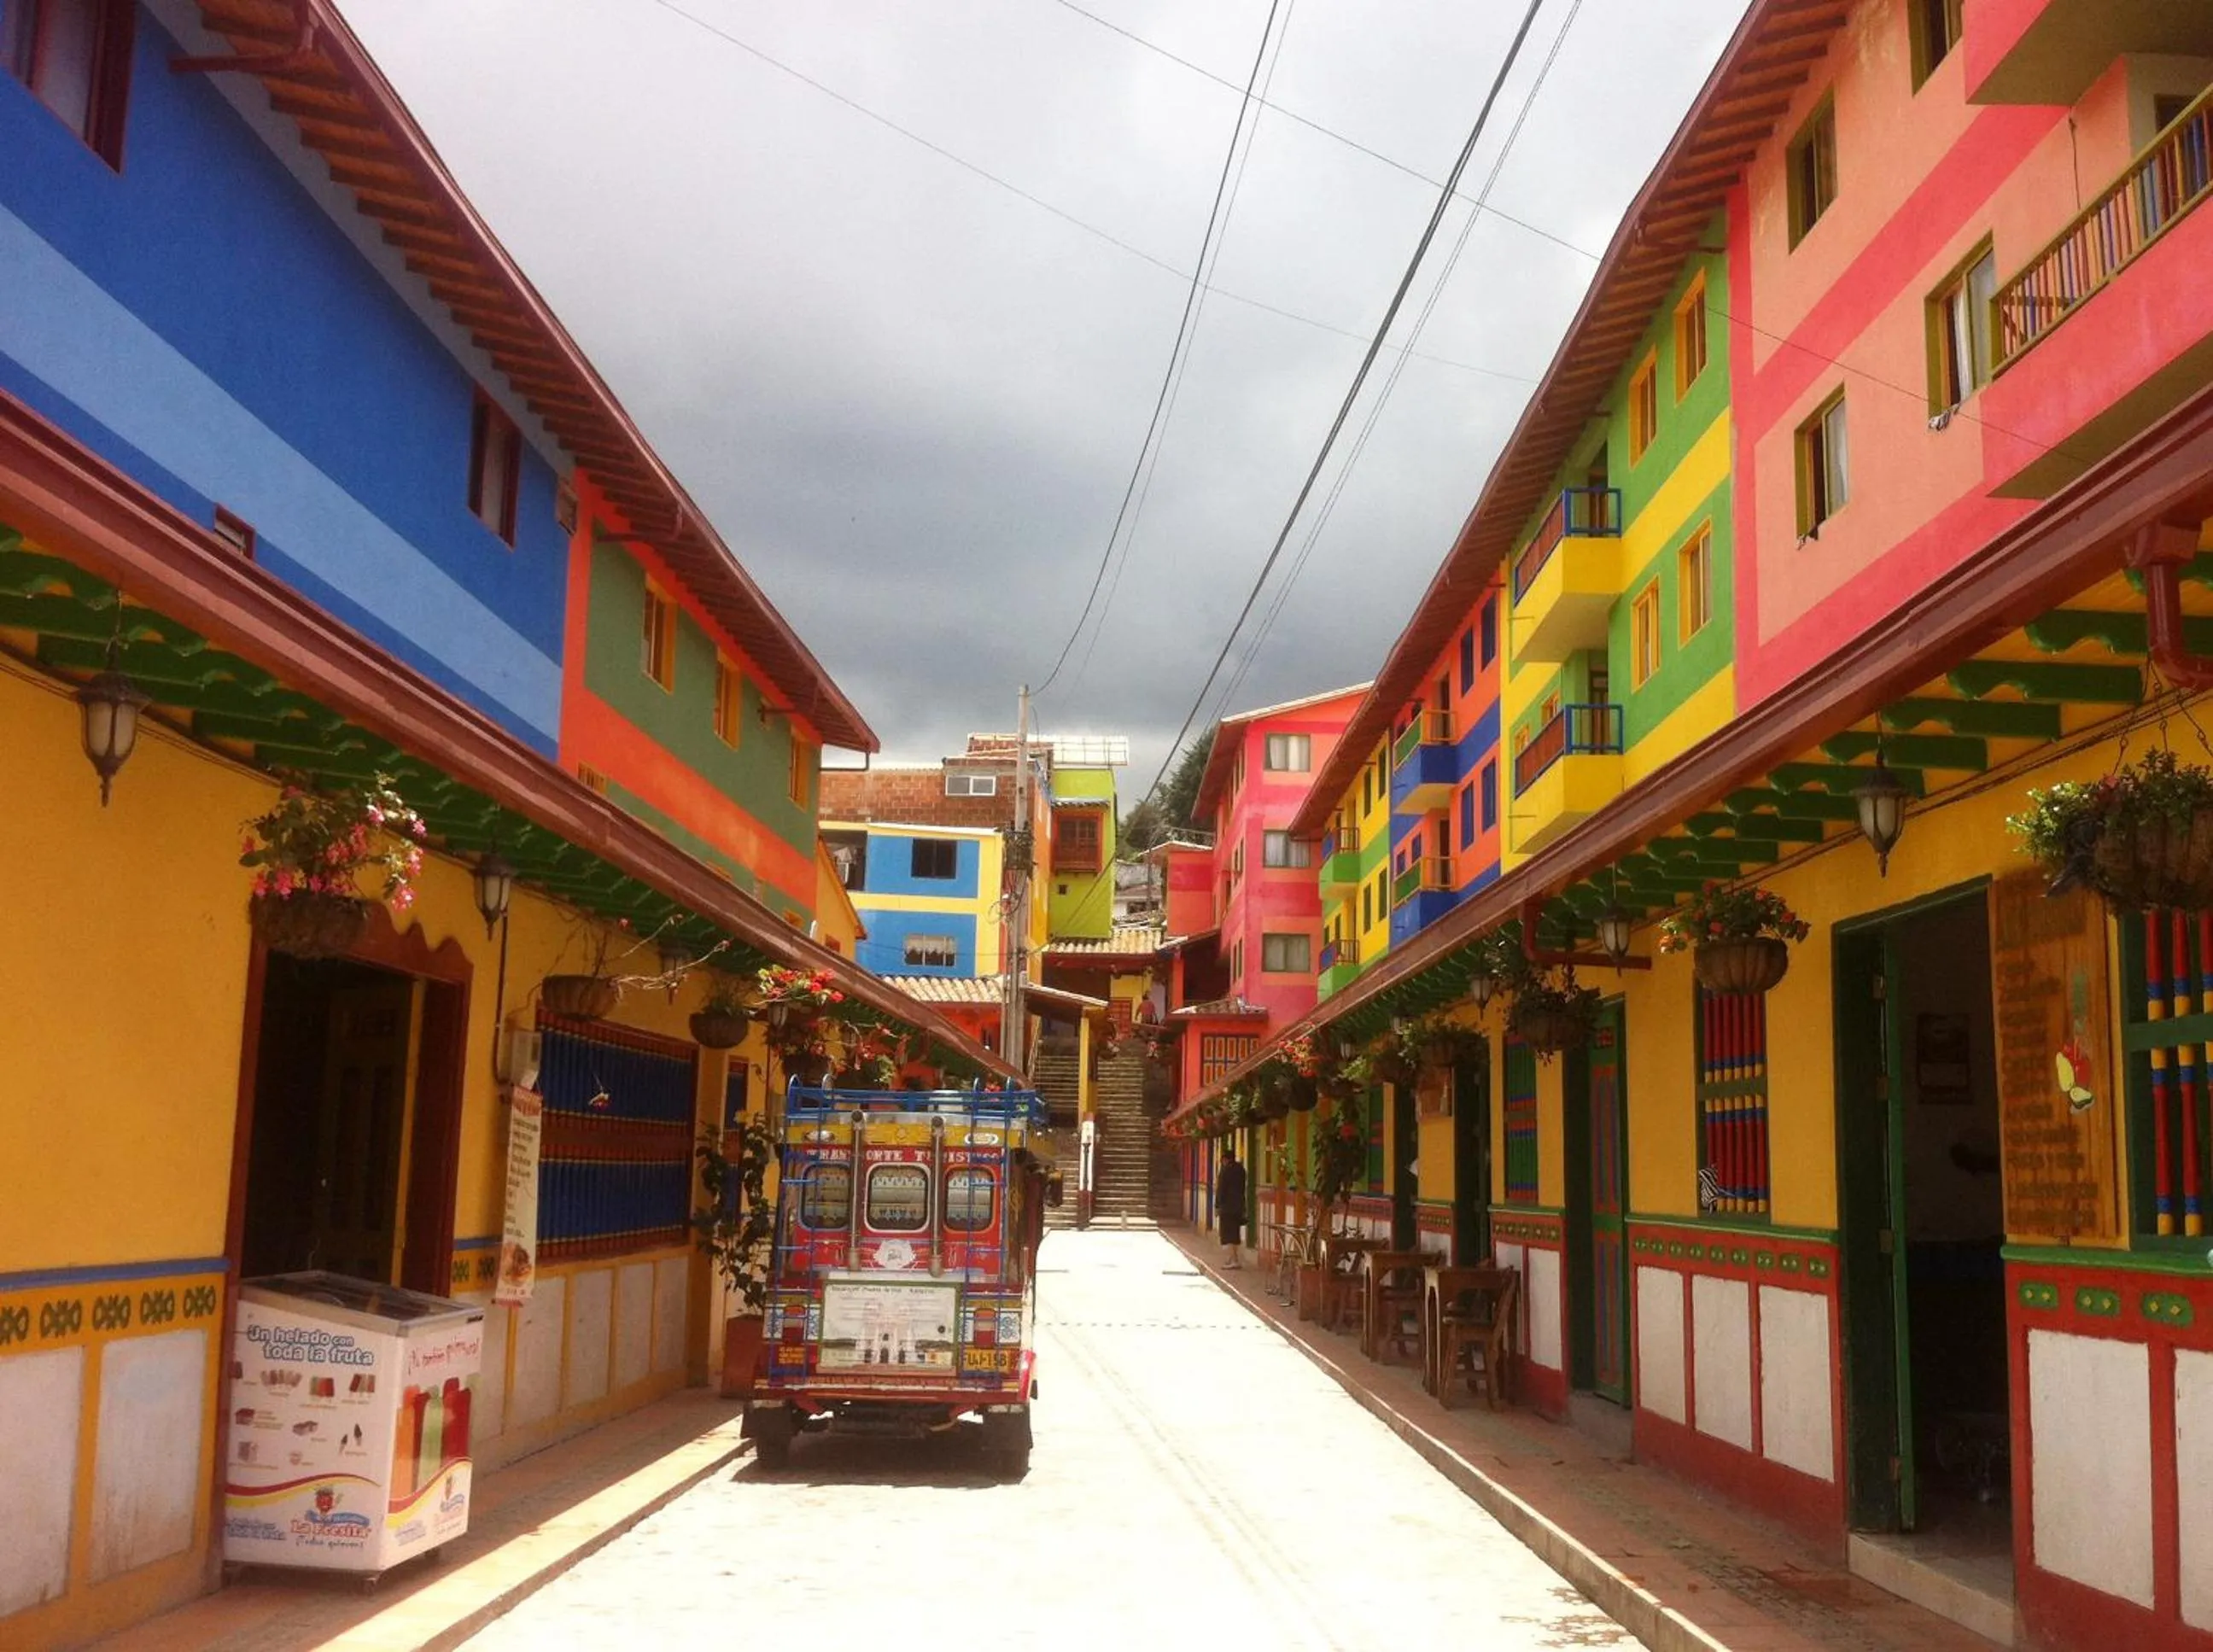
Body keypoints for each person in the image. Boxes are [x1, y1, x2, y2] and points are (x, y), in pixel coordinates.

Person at [1215, 1147, 1247, 1269]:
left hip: (1227, 1207)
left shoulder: (1225, 1171)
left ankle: (1234, 1260)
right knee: (1235, 1233)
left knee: (1228, 1234)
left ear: (1225, 1159)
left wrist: (1217, 1206)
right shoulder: (1241, 1170)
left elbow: (1221, 1190)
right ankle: (1231, 1258)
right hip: (1238, 1206)